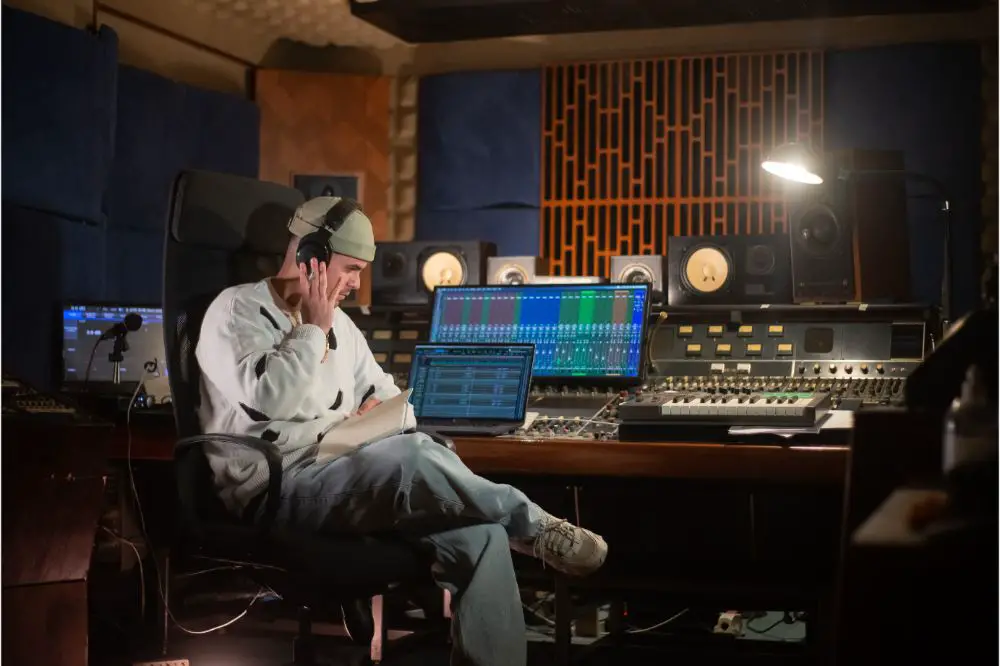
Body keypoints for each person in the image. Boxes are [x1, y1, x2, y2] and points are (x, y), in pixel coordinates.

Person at [195, 197, 608, 666]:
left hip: (343, 473)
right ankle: (534, 527)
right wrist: (313, 329)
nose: (355, 283)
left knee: (482, 539)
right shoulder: (235, 311)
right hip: (278, 488)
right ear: (312, 255)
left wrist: (377, 410)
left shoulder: (343, 328)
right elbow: (272, 398)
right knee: (413, 457)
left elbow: (398, 403)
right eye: (350, 269)